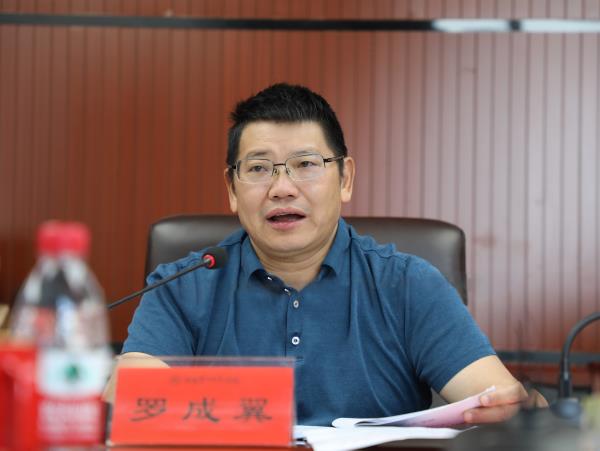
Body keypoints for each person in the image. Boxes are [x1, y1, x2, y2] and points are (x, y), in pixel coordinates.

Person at [105, 83, 546, 425]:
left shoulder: (408, 285)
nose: (282, 188)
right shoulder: (183, 285)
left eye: (306, 164)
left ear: (345, 179)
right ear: (232, 190)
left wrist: (511, 409)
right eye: (258, 168)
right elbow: (127, 396)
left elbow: (499, 403)